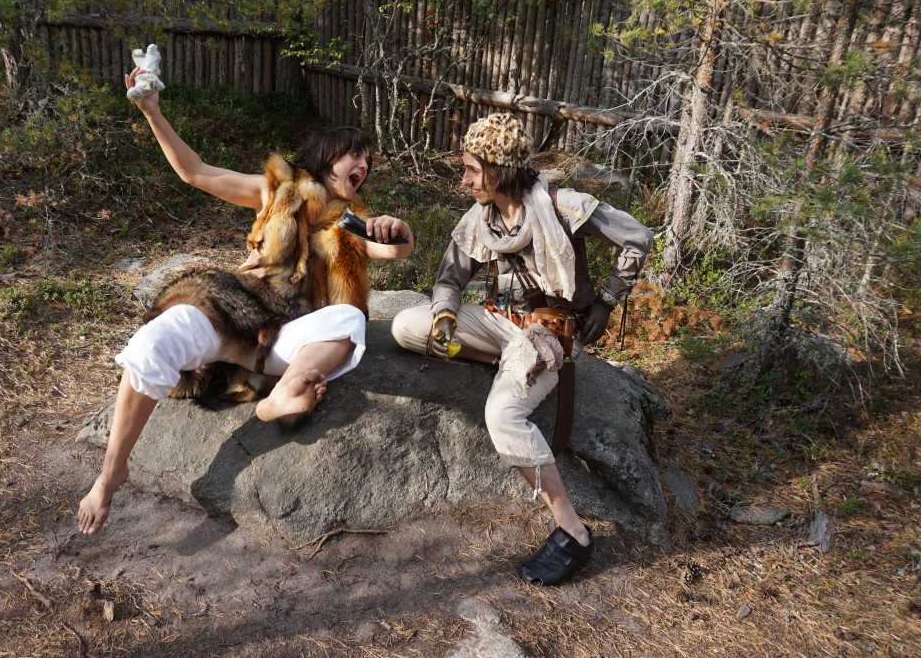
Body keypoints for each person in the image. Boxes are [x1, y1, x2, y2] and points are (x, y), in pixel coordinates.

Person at [78, 65, 415, 536]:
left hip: (284, 340)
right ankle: (111, 472)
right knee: (155, 341)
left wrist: (399, 231)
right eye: (355, 156)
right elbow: (195, 172)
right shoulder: (274, 191)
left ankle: (283, 395)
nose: (362, 167)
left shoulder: (353, 223)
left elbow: (392, 248)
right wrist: (151, 110)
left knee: (348, 320)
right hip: (233, 309)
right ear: (327, 155)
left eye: (367, 164)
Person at [390, 112, 651, 585]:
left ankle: (573, 531)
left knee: (502, 417)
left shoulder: (562, 206)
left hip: (548, 336)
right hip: (497, 324)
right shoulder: (480, 219)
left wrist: (608, 300)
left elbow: (637, 236)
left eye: (472, 168)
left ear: (500, 167)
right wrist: (447, 313)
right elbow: (450, 277)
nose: (465, 179)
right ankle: (499, 362)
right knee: (408, 326)